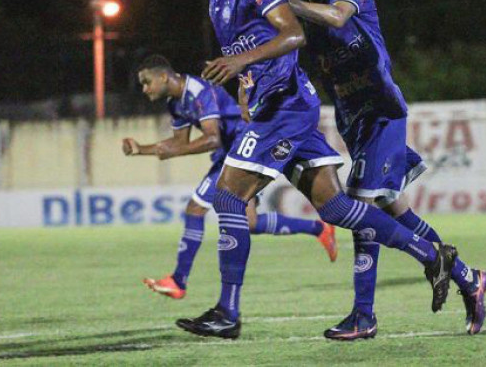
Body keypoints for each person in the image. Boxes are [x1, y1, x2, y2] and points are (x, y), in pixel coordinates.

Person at [175, 0, 458, 340]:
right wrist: (246, 82)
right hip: (289, 104)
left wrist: (246, 60)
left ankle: (228, 312)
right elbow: (253, 47)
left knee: (228, 197)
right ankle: (431, 256)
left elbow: (293, 34)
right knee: (337, 207)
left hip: (295, 107)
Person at [282, 0, 486, 338]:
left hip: (381, 110)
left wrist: (286, 5)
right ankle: (469, 278)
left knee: (360, 207)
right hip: (350, 116)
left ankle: (364, 316)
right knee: (391, 208)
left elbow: (339, 18)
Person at [123, 55, 338, 299]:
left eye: (146, 82)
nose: (144, 89)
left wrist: (168, 152)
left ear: (163, 76)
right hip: (230, 154)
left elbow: (212, 138)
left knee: (195, 209)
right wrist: (142, 149)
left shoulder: (198, 91)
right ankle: (318, 228)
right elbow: (178, 142)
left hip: (242, 150)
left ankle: (178, 280)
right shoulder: (176, 103)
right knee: (250, 223)